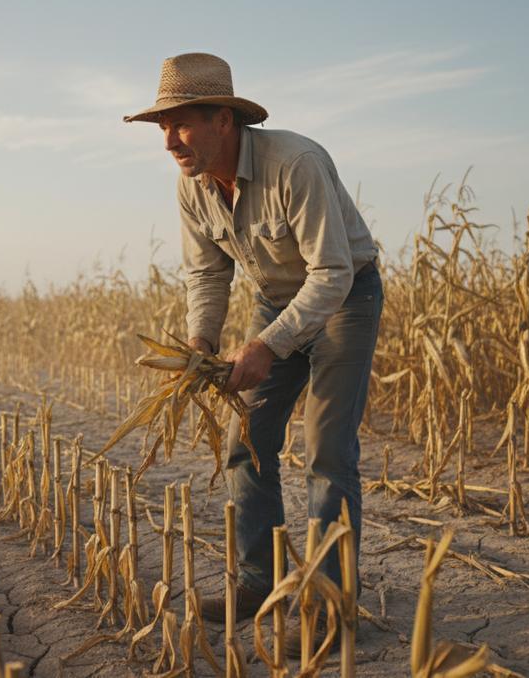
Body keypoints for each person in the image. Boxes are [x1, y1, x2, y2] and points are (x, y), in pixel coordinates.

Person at [123, 52, 382, 622]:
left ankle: (330, 611)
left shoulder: (298, 164)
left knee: (328, 453)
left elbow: (333, 273)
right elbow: (208, 273)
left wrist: (268, 345)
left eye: (182, 122)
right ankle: (257, 586)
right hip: (276, 303)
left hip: (345, 300)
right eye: (164, 126)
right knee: (248, 444)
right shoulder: (191, 185)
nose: (170, 140)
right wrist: (202, 342)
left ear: (225, 120)